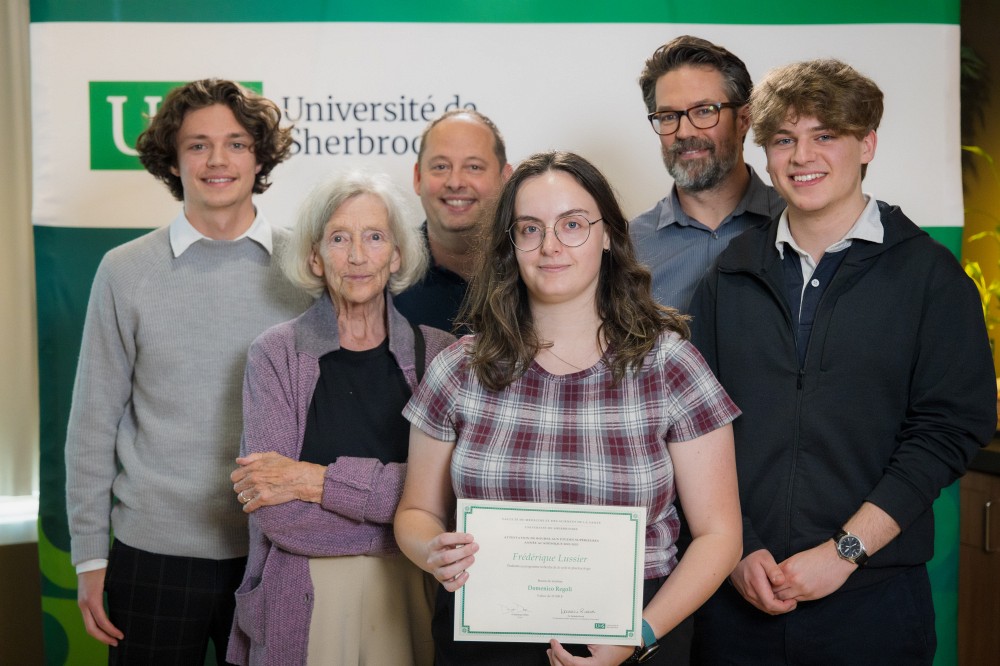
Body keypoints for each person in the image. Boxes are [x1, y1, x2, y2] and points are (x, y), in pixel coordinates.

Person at [688, 59, 997, 664]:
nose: (803, 156)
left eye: (825, 135)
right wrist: (736, 549)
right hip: (736, 601)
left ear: (867, 144)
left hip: (874, 603)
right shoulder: (729, 274)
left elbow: (947, 430)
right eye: (784, 140)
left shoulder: (930, 277)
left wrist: (845, 552)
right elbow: (697, 426)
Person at [395, 151, 743, 665]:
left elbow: (720, 536)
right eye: (530, 229)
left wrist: (636, 635)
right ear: (510, 247)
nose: (550, 246)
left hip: (632, 636)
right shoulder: (458, 368)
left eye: (573, 224)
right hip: (486, 635)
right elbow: (416, 513)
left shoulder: (670, 365)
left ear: (607, 236)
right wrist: (431, 551)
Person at [65, 79, 312, 664]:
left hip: (275, 549)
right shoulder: (124, 271)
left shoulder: (307, 266)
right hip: (151, 555)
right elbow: (93, 423)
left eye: (235, 143)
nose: (218, 160)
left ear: (260, 155)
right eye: (198, 145)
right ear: (173, 161)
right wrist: (90, 557)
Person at [225, 170, 456, 665]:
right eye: (338, 238)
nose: (357, 256)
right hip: (304, 594)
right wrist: (404, 520)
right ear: (314, 256)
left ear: (396, 254)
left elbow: (450, 493)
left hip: (414, 593)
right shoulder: (275, 355)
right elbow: (277, 515)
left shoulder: (441, 353)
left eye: (374, 237)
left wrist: (315, 481)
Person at [630, 35, 784, 312]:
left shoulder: (796, 222)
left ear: (744, 120)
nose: (684, 132)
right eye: (668, 116)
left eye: (704, 111)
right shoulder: (628, 248)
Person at [394, 109, 513, 331]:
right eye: (441, 167)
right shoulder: (381, 277)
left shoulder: (537, 269)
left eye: (474, 167)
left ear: (505, 178)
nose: (455, 182)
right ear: (418, 177)